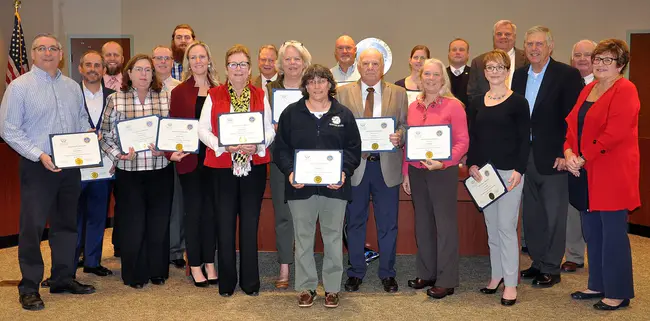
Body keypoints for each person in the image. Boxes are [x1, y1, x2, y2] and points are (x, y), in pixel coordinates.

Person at [0, 33, 95, 311]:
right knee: (33, 227)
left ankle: (63, 278)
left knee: (66, 223)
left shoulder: (71, 87)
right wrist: (38, 154)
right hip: (37, 165)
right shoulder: (19, 87)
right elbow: (8, 129)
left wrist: (86, 135)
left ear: (61, 54)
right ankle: (29, 286)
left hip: (69, 165)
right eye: (42, 48)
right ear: (32, 54)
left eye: (53, 48)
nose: (48, 52)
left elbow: (79, 119)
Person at [274, 64, 361, 308]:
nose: (316, 86)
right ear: (305, 86)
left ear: (330, 85)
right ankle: (306, 287)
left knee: (333, 237)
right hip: (300, 187)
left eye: (321, 81)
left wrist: (344, 173)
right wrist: (291, 173)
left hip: (336, 187)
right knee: (303, 238)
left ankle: (332, 288)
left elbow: (354, 149)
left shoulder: (343, 114)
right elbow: (280, 149)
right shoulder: (291, 113)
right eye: (311, 81)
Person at [565, 39, 639, 310]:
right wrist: (570, 150)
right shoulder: (590, 88)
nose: (600, 64)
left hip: (612, 173)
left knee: (613, 234)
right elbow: (572, 122)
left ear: (621, 64)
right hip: (586, 170)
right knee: (592, 231)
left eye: (607, 60)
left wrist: (584, 157)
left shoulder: (626, 89)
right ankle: (597, 283)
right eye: (597, 59)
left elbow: (615, 133)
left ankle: (618, 291)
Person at [198, 44, 275, 297]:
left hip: (252, 167)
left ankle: (250, 282)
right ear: (226, 68)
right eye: (233, 64)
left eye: (243, 64)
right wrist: (223, 145)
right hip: (222, 167)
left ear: (249, 68)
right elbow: (202, 130)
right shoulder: (214, 94)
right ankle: (227, 282)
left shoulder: (260, 94)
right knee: (225, 223)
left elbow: (269, 128)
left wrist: (258, 144)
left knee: (250, 224)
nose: (238, 69)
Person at [512, 26, 583, 288]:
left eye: (539, 44)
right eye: (529, 44)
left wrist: (567, 152)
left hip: (554, 157)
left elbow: (573, 119)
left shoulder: (567, 75)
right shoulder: (518, 76)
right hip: (524, 156)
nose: (533, 48)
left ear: (550, 47)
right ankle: (538, 262)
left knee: (554, 214)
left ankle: (552, 267)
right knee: (531, 215)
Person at [336, 48, 408, 293]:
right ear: (358, 65)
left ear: (382, 66)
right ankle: (356, 271)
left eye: (374, 63)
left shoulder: (398, 93)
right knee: (354, 222)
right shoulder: (343, 92)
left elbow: (406, 124)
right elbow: (338, 127)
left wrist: (401, 135)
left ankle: (387, 272)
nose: (370, 67)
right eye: (365, 63)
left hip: (386, 167)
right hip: (356, 167)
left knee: (388, 223)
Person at [99, 54, 174, 289]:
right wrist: (118, 154)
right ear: (128, 73)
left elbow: (173, 131)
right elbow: (105, 135)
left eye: (148, 70)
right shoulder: (116, 100)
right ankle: (135, 274)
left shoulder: (165, 98)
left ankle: (157, 271)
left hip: (159, 169)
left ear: (153, 75)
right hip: (129, 172)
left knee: (159, 222)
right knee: (134, 223)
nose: (144, 74)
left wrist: (166, 150)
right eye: (138, 69)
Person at [401, 58, 468, 299]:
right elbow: (410, 142)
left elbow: (462, 142)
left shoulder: (454, 106)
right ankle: (427, 272)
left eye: (435, 75)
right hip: (418, 172)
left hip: (442, 171)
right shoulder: (413, 106)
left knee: (445, 225)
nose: (430, 78)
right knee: (423, 223)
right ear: (420, 77)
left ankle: (447, 279)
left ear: (443, 78)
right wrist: (406, 172)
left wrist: (445, 163)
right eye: (426, 74)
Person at [466, 50, 530, 306]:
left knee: (506, 228)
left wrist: (519, 170)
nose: (494, 71)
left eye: (499, 67)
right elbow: (475, 138)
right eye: (490, 67)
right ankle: (496, 276)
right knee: (492, 228)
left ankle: (511, 284)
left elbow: (525, 139)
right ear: (484, 72)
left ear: (507, 70)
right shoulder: (478, 102)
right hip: (485, 175)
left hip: (510, 173)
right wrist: (472, 163)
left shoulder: (518, 102)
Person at [167, 41, 220, 286]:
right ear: (188, 62)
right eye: (193, 57)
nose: (198, 61)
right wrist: (171, 153)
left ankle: (210, 261)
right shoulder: (179, 91)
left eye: (202, 56)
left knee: (212, 214)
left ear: (209, 59)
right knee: (194, 213)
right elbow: (172, 127)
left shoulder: (220, 89)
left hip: (215, 161)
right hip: (190, 162)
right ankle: (195, 264)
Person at [266, 40, 311, 288]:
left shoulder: (313, 86)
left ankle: (306, 266)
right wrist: (271, 128)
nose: (292, 63)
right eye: (287, 59)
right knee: (283, 214)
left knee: (306, 214)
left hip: (308, 159)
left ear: (304, 62)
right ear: (280, 63)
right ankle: (284, 267)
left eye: (297, 59)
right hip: (280, 159)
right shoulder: (270, 89)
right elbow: (261, 124)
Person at [75, 50, 115, 277]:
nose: (92, 69)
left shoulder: (113, 96)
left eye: (97, 65)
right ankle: (70, 262)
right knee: (73, 216)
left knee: (98, 214)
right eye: (88, 64)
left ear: (103, 69)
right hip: (76, 165)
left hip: (103, 166)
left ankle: (92, 261)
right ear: (80, 68)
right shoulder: (70, 94)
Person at [562, 39, 597, 273]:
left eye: (588, 55)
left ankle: (597, 254)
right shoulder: (568, 83)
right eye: (577, 55)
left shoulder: (607, 86)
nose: (582, 59)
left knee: (598, 209)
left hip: (599, 156)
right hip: (572, 154)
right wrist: (567, 152)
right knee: (573, 206)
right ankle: (574, 254)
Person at [152, 44, 186, 269]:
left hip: (173, 154)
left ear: (173, 62)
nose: (163, 62)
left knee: (176, 203)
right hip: (148, 156)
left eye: (167, 58)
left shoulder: (179, 88)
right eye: (158, 58)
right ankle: (155, 247)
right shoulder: (143, 85)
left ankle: (175, 250)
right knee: (155, 203)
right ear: (152, 61)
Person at [467, 20, 527, 111]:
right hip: (488, 115)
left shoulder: (528, 60)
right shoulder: (478, 62)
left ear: (514, 37)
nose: (503, 37)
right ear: (494, 37)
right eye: (499, 34)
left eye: (507, 34)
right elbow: (472, 94)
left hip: (518, 113)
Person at [446, 38, 471, 108]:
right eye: (454, 50)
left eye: (461, 50)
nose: (457, 52)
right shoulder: (441, 75)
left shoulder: (475, 74)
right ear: (448, 54)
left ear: (468, 54)